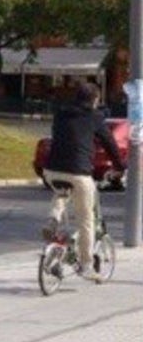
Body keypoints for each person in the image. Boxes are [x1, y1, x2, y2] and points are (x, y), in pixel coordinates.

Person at [42, 81, 125, 277]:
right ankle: (87, 265)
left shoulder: (60, 113)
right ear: (95, 100)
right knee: (86, 219)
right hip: (79, 172)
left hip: (51, 170)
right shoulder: (95, 116)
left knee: (63, 192)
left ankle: (53, 219)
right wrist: (120, 167)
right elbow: (110, 144)